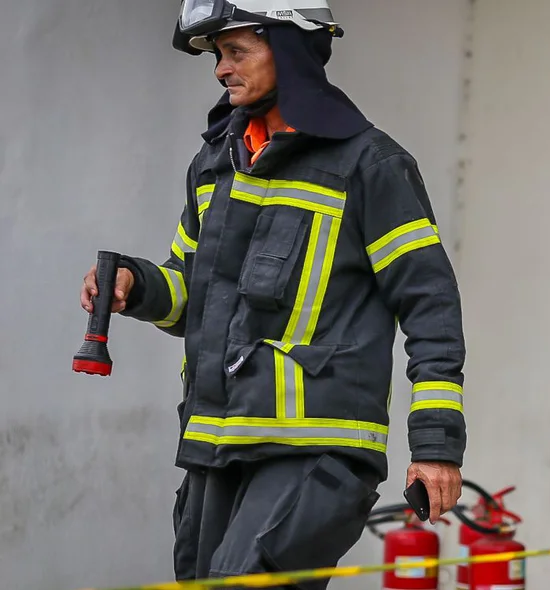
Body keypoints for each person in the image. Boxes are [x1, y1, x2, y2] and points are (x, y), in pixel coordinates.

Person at [78, 1, 467, 585]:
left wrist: (436, 446)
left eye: (236, 51)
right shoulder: (215, 164)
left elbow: (430, 308)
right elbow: (189, 295)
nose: (220, 70)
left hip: (317, 451)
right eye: (217, 55)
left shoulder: (370, 165)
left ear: (290, 50)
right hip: (216, 444)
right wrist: (135, 287)